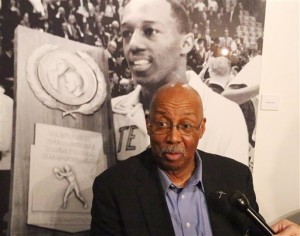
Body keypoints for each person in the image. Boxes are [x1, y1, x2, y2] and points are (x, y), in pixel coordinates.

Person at [91, 82, 300, 236]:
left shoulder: (235, 176)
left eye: (186, 126)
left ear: (201, 128)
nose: (173, 137)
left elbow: (255, 232)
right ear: (149, 124)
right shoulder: (114, 187)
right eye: (162, 124)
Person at [112, 0, 249, 165]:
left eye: (150, 31)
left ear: (186, 43)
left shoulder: (225, 115)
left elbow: (231, 188)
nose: (133, 44)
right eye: (126, 33)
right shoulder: (112, 114)